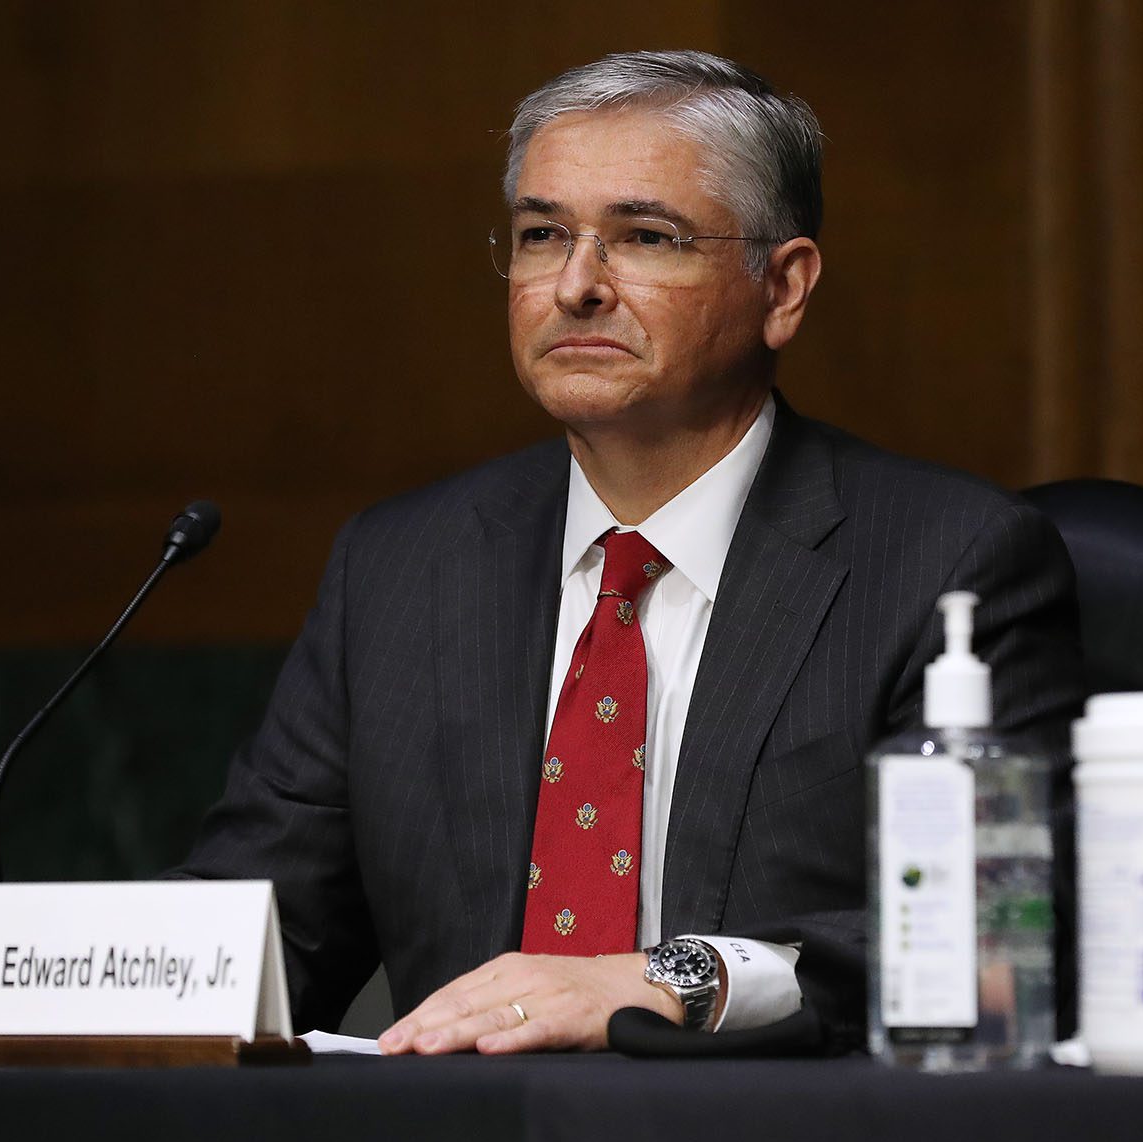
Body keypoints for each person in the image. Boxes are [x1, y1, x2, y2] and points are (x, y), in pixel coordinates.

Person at [175, 50, 1084, 1055]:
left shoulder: (948, 563)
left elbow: (990, 930)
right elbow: (250, 939)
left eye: (644, 237)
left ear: (782, 287)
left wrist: (671, 979)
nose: (575, 286)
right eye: (540, 236)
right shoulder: (402, 567)